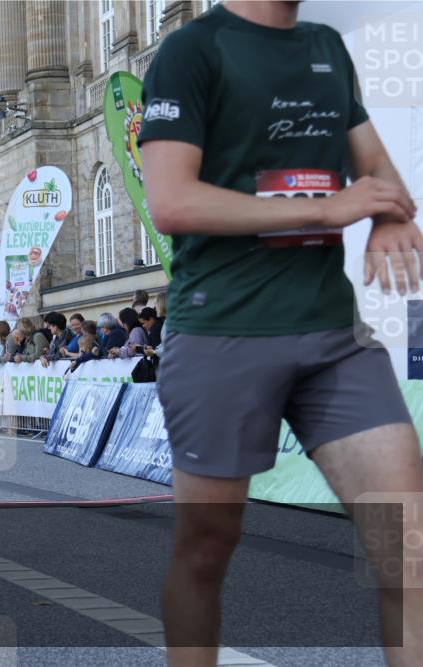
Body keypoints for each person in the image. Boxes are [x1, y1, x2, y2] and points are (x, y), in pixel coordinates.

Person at [139, 2, 423, 663]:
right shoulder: (192, 51)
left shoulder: (325, 45)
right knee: (205, 550)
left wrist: (386, 216)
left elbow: (380, 175)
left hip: (333, 340)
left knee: (408, 548)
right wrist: (333, 205)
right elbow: (172, 200)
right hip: (221, 335)